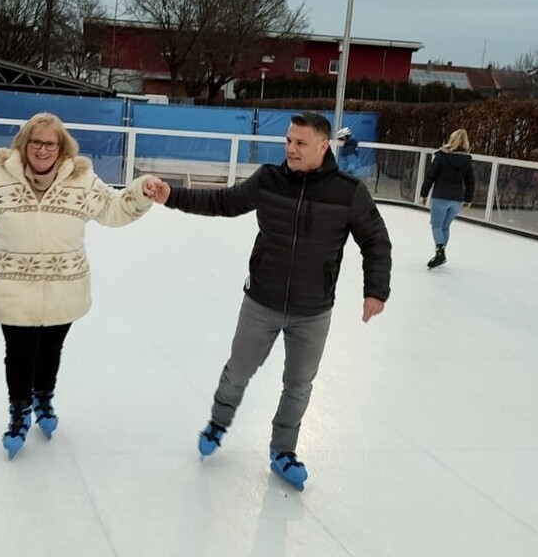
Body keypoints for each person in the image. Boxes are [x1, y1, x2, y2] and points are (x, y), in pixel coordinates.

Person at [148, 111, 391, 490]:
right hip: (262, 301)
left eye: (300, 143)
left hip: (313, 311)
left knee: (298, 384)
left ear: (323, 146)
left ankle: (283, 450)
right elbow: (223, 202)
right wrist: (172, 196)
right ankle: (217, 423)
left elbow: (375, 240)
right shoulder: (270, 180)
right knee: (238, 370)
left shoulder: (348, 192)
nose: (291, 149)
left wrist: (375, 290)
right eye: (288, 141)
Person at [0, 112, 161, 460]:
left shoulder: (81, 179)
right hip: (15, 286)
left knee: (51, 350)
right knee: (19, 355)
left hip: (63, 284)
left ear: (61, 146)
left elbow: (112, 210)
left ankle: (44, 399)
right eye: (36, 142)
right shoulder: (1, 176)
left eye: (50, 143)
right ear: (24, 144)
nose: (42, 149)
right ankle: (19, 411)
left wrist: (139, 192)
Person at [419, 128, 474, 269]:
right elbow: (470, 181)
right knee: (445, 227)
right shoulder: (467, 160)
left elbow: (430, 175)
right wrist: (468, 199)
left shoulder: (442, 156)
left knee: (436, 226)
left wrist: (424, 193)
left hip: (441, 197)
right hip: (456, 198)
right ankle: (441, 252)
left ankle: (440, 252)